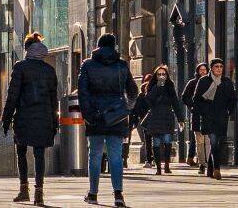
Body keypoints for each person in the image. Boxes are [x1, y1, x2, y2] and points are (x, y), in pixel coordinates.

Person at [78, 33, 138, 207]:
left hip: (95, 115)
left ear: (98, 46)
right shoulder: (121, 65)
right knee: (116, 155)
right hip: (116, 115)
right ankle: (118, 195)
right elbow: (133, 91)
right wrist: (128, 107)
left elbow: (82, 92)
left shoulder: (87, 65)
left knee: (95, 155)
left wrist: (87, 115)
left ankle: (93, 193)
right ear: (114, 46)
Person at [1, 33, 58, 206]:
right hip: (44, 117)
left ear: (27, 49)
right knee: (39, 154)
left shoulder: (20, 67)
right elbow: (53, 99)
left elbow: (13, 96)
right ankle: (39, 192)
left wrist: (6, 118)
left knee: (21, 152)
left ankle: (24, 189)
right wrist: (54, 123)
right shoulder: (49, 70)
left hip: (24, 117)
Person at [131, 64, 185, 175]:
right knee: (156, 142)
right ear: (156, 76)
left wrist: (180, 119)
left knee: (167, 141)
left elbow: (175, 103)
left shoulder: (170, 86)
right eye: (159, 74)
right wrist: (157, 87)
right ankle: (158, 168)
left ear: (167, 76)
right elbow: (148, 100)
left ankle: (167, 166)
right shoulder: (151, 86)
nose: (161, 76)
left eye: (163, 74)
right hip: (155, 117)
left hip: (167, 117)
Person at [192, 58, 236, 179]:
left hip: (221, 117)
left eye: (221, 67)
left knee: (217, 143)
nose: (219, 69)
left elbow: (233, 99)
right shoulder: (204, 81)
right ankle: (217, 169)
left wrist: (229, 111)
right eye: (216, 66)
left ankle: (210, 169)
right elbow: (196, 99)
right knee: (213, 141)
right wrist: (202, 111)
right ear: (211, 68)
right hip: (208, 117)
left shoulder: (227, 82)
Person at [180, 62, 209, 173]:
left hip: (209, 115)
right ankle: (202, 163)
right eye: (200, 70)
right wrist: (192, 106)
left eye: (204, 70)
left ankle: (207, 162)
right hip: (197, 114)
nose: (202, 71)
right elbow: (184, 97)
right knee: (199, 140)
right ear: (197, 71)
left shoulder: (211, 82)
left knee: (208, 141)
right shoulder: (192, 83)